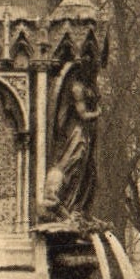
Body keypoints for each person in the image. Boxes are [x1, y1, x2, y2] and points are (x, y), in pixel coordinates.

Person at [41, 61, 101, 223]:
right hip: (77, 133)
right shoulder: (76, 88)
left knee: (83, 168)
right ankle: (62, 202)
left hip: (85, 133)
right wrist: (97, 112)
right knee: (73, 161)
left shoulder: (82, 87)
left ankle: (74, 207)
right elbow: (83, 114)